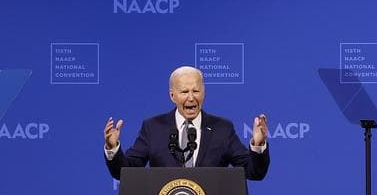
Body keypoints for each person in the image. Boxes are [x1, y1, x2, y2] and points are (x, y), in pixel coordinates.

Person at [103, 66, 269, 181]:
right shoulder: (153, 127)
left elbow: (253, 172)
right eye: (184, 92)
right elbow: (125, 172)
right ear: (172, 96)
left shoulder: (222, 129)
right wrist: (113, 148)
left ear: (203, 93)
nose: (191, 98)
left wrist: (258, 145)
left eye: (196, 91)